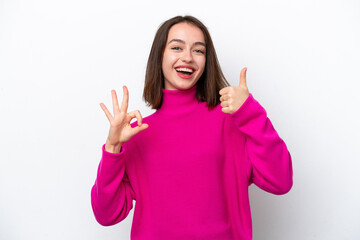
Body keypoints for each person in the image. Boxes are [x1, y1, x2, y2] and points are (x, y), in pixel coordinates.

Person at [91, 15, 293, 240]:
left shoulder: (232, 121)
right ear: (159, 56)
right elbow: (106, 215)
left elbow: (281, 181)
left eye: (198, 51)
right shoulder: (137, 133)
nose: (187, 58)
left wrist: (250, 113)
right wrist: (113, 147)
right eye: (177, 47)